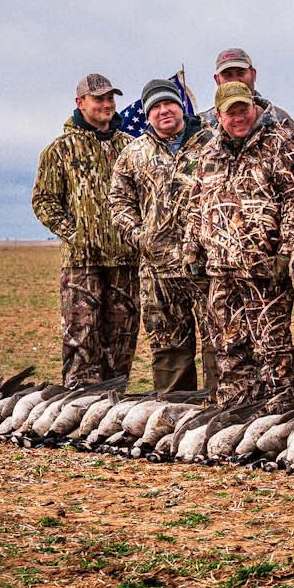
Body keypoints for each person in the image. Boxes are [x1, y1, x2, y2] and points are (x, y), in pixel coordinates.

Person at [182, 80, 294, 410]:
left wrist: (286, 252)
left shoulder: (279, 146)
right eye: (231, 112)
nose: (239, 118)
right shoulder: (208, 155)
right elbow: (196, 205)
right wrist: (191, 248)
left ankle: (277, 425)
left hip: (265, 272)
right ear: (219, 116)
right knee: (229, 352)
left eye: (244, 110)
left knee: (274, 353)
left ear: (254, 108)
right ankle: (236, 422)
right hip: (221, 274)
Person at [31, 73, 139, 385]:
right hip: (82, 264)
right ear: (81, 103)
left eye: (110, 98)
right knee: (82, 339)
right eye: (99, 99)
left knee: (121, 342)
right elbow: (44, 200)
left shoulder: (131, 148)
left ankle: (113, 412)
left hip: (125, 261)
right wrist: (75, 233)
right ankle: (78, 413)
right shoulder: (60, 150)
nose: (107, 104)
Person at [108, 78, 210, 393]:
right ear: (148, 114)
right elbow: (118, 203)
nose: (163, 111)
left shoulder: (211, 143)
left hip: (208, 267)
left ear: (181, 106)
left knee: (221, 345)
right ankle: (177, 424)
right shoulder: (133, 153)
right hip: (158, 272)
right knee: (169, 350)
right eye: (155, 107)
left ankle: (225, 421)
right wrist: (142, 238)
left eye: (169, 103)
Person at [213, 47, 294, 149]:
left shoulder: (281, 122)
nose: (235, 80)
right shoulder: (204, 124)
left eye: (241, 73)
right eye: (228, 75)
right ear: (217, 80)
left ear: (253, 74)